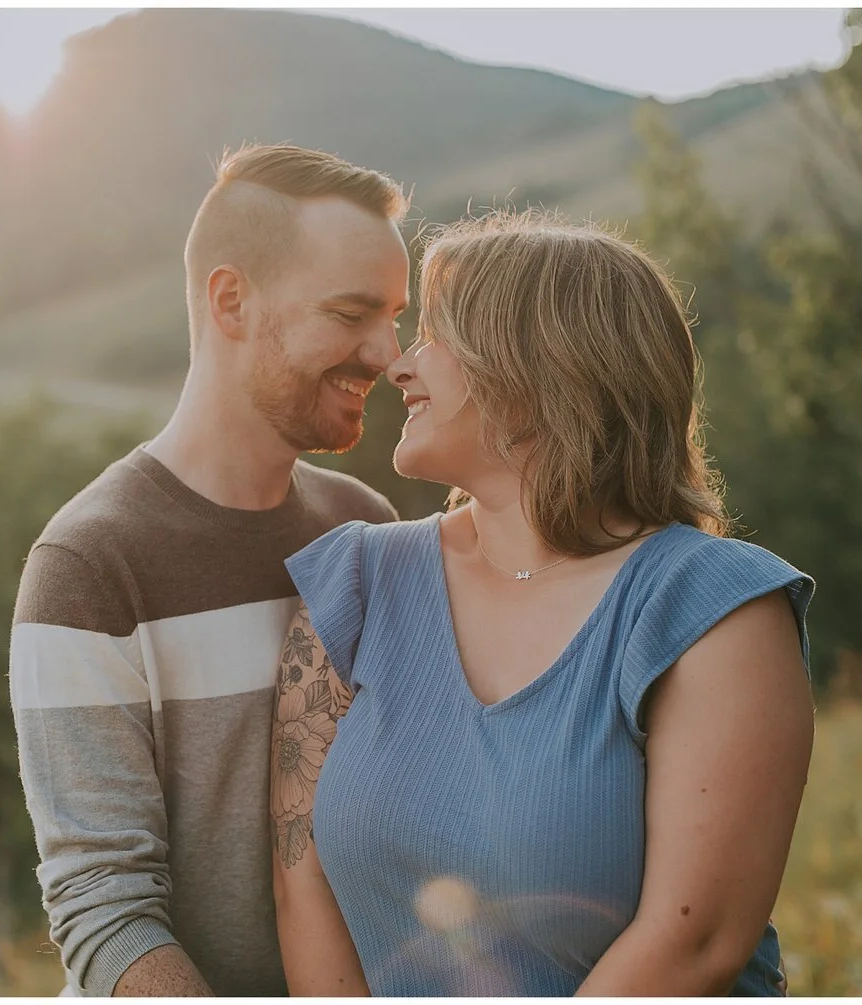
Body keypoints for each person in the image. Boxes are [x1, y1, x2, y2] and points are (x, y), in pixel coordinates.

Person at [271, 210, 814, 997]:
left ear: (535, 365)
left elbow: (695, 944)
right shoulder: (352, 583)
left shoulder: (716, 610)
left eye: (436, 337)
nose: (400, 367)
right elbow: (301, 883)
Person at [11, 144, 411, 996]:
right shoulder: (89, 563)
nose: (386, 352)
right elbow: (104, 906)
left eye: (394, 317)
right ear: (231, 301)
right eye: (351, 313)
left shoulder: (367, 530)